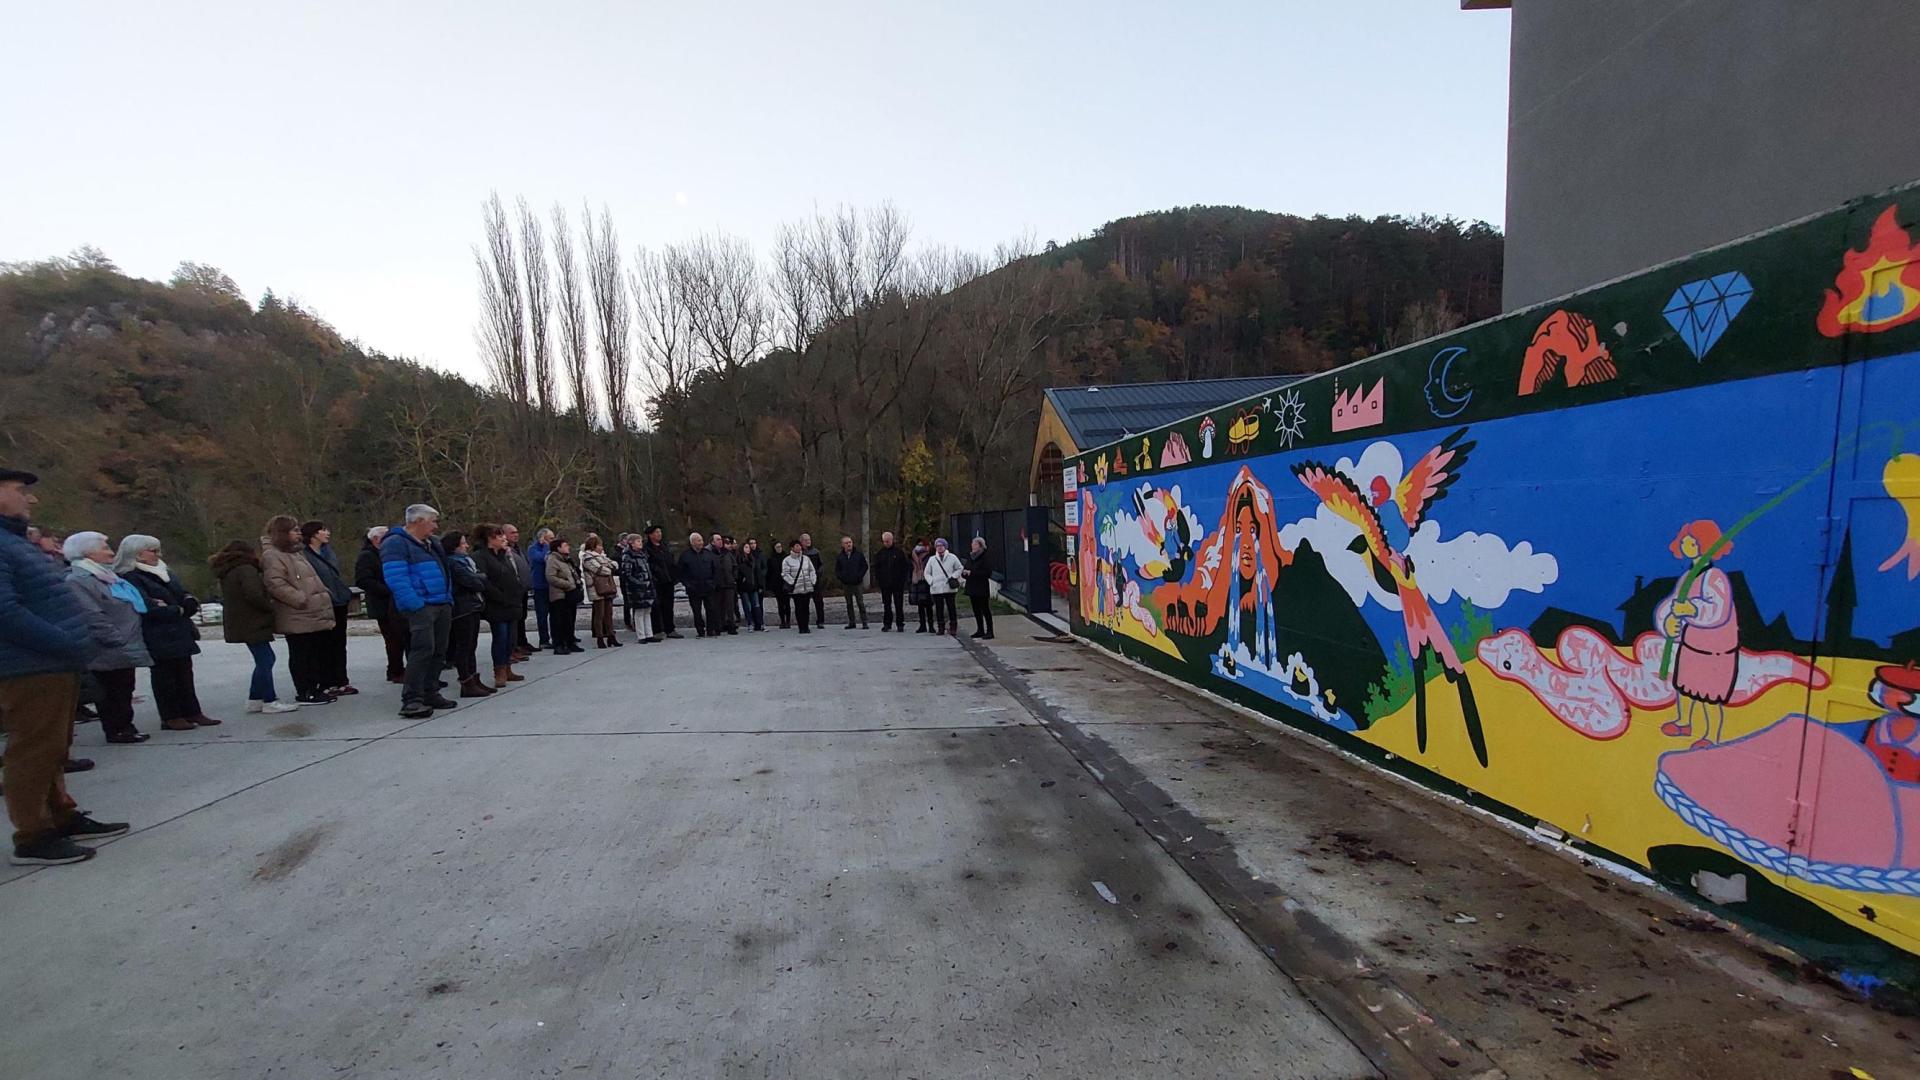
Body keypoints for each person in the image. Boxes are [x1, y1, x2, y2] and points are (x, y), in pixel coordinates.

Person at [0, 468, 127, 866]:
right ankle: (33, 836)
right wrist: (65, 643)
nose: (30, 499)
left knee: (53, 747)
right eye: (20, 491)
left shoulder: (12, 542)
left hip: (50, 663)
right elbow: (5, 612)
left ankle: (61, 816)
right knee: (33, 749)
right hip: (30, 666)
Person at [114, 534, 220, 730]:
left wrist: (184, 603)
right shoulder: (131, 577)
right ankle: (171, 715)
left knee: (185, 673)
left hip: (179, 630)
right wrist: (176, 608)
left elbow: (183, 595)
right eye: (153, 551)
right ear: (137, 554)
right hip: (158, 634)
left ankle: (192, 711)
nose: (158, 555)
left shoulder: (164, 572)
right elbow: (149, 606)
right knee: (165, 676)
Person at [64, 532, 154, 742]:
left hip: (124, 642)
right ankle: (117, 729)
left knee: (124, 687)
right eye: (104, 548)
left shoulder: (106, 576)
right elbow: (91, 614)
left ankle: (126, 726)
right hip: (108, 645)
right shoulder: (78, 580)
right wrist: (115, 638)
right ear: (87, 552)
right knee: (111, 690)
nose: (110, 552)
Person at [383, 503, 458, 719]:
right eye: (432, 521)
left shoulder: (432, 543)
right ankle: (412, 699)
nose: (435, 526)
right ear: (418, 521)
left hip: (441, 602)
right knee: (422, 650)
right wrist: (415, 604)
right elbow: (396, 578)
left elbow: (445, 570)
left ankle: (430, 691)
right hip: (422, 606)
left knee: (439, 651)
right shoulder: (395, 543)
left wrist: (447, 598)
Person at [210, 539, 298, 715]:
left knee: (263, 659)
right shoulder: (246, 569)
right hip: (253, 620)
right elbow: (253, 594)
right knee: (266, 659)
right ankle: (269, 699)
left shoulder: (229, 571)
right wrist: (269, 607)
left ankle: (255, 699)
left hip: (240, 621)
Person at [262, 515, 339, 705]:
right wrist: (300, 599)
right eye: (294, 530)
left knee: (314, 652)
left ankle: (316, 686)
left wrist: (323, 593)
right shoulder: (272, 555)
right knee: (301, 653)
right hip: (296, 613)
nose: (298, 533)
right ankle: (305, 691)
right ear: (283, 533)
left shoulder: (296, 553)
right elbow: (275, 583)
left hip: (312, 611)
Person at [302, 520, 358, 698]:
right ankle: (326, 681)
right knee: (324, 645)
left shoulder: (328, 551)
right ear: (313, 534)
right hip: (322, 603)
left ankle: (340, 680)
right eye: (323, 530)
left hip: (339, 600)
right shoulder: (304, 554)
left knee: (339, 644)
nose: (327, 533)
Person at [471, 524, 526, 689]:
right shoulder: (480, 556)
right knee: (500, 638)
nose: (504, 539)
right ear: (489, 539)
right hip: (497, 604)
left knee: (511, 639)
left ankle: (508, 666)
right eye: (499, 536)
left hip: (512, 603)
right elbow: (484, 581)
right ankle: (499, 670)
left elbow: (513, 575)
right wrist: (499, 596)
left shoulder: (504, 555)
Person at [441, 530, 493, 698]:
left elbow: (479, 578)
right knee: (464, 646)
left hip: (473, 606)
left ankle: (474, 678)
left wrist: (479, 578)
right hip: (462, 608)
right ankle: (466, 680)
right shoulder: (453, 563)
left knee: (472, 646)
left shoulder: (465, 562)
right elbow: (473, 581)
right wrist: (479, 578)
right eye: (463, 543)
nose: (466, 546)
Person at [356, 526, 407, 684]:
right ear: (376, 539)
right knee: (393, 640)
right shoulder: (367, 556)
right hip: (382, 604)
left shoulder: (388, 554)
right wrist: (388, 590)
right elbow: (363, 580)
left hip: (395, 602)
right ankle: (396, 670)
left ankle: (397, 669)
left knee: (401, 638)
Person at [676, 532, 722, 637]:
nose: (701, 542)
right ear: (692, 542)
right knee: (696, 611)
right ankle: (700, 630)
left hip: (708, 587)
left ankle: (711, 629)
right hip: (693, 588)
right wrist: (688, 585)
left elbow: (716, 569)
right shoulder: (685, 555)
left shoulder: (708, 554)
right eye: (698, 540)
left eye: (701, 540)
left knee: (711, 609)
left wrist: (713, 583)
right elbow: (681, 572)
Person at [581, 533, 622, 648]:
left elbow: (614, 564)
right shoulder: (588, 557)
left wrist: (609, 566)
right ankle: (599, 637)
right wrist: (609, 568)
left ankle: (611, 636)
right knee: (599, 614)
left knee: (609, 613)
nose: (602, 548)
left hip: (607, 587)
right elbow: (599, 570)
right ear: (594, 546)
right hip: (596, 588)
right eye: (599, 545)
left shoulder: (602, 557)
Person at [545, 536, 584, 654]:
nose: (568, 547)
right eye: (565, 546)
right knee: (558, 621)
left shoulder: (566, 559)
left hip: (570, 595)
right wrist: (568, 584)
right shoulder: (552, 559)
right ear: (558, 548)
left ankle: (570, 642)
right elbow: (551, 577)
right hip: (559, 595)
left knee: (569, 620)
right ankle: (559, 644)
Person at [503, 524, 535, 660]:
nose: (516, 535)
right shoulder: (505, 551)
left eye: (517, 532)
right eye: (512, 533)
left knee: (522, 618)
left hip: (522, 589)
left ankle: (522, 642)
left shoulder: (518, 548)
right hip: (512, 591)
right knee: (514, 620)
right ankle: (513, 647)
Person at [619, 534, 658, 642]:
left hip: (647, 586)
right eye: (637, 541)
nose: (640, 543)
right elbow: (627, 574)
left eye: (640, 541)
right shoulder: (628, 556)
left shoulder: (642, 555)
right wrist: (639, 583)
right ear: (631, 543)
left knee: (647, 610)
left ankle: (649, 633)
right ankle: (641, 635)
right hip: (636, 588)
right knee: (639, 611)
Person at [643, 525, 680, 640]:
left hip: (668, 580)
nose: (659, 534)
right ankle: (657, 629)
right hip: (657, 582)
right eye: (656, 532)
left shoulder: (664, 547)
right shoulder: (647, 549)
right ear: (650, 535)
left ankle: (670, 628)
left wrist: (674, 575)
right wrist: (655, 576)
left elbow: (671, 561)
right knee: (656, 606)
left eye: (660, 531)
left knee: (669, 606)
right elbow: (648, 565)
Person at [925, 537, 964, 637]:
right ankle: (941, 627)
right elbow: (927, 572)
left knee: (951, 607)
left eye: (941, 546)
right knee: (939, 608)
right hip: (936, 588)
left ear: (945, 547)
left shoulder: (952, 557)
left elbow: (960, 568)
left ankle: (953, 627)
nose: (939, 548)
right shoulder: (932, 559)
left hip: (949, 588)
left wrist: (953, 576)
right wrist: (931, 581)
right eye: (937, 546)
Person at [873, 531, 911, 633]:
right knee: (886, 604)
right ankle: (887, 624)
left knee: (899, 604)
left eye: (888, 541)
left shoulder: (899, 552)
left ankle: (900, 624)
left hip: (897, 583)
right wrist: (879, 581)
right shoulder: (880, 553)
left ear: (892, 540)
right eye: (884, 541)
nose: (886, 543)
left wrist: (903, 580)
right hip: (885, 584)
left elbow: (905, 567)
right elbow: (876, 568)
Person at [780, 538, 818, 634]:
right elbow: (785, 573)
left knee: (806, 607)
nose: (799, 547)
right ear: (792, 548)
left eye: (799, 546)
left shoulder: (806, 559)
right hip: (796, 588)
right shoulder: (787, 560)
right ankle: (801, 626)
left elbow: (812, 570)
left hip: (807, 587)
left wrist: (812, 580)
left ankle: (806, 626)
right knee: (799, 607)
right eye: (796, 546)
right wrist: (792, 582)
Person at [835, 536, 870, 630]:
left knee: (860, 602)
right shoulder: (840, 556)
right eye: (846, 543)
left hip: (857, 583)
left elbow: (864, 566)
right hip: (846, 583)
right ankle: (852, 622)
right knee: (849, 603)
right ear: (843, 545)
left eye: (850, 542)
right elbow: (837, 570)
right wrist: (842, 577)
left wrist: (859, 576)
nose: (849, 544)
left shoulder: (858, 555)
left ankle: (864, 622)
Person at [528, 528, 555, 650]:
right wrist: (546, 547)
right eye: (550, 538)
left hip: (551, 585)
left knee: (555, 613)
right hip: (540, 585)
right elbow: (543, 559)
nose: (552, 541)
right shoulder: (533, 549)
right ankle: (544, 639)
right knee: (542, 614)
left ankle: (557, 637)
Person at [964, 537, 996, 640]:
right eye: (972, 544)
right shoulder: (970, 557)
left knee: (985, 609)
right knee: (976, 609)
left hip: (981, 587)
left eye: (975, 544)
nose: (972, 545)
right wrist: (964, 573)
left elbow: (987, 573)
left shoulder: (985, 557)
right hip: (972, 586)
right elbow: (967, 568)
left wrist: (972, 573)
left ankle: (990, 631)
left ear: (980, 546)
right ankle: (980, 629)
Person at [738, 537, 767, 631]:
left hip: (754, 586)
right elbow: (737, 573)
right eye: (746, 547)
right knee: (748, 607)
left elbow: (758, 573)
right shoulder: (739, 560)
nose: (748, 548)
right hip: (744, 587)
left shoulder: (753, 560)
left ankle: (760, 623)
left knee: (757, 606)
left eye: (748, 547)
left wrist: (760, 585)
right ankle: (750, 623)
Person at [713, 535, 740, 635]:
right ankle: (720, 624)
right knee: (719, 606)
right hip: (719, 585)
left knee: (730, 606)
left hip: (729, 584)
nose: (728, 545)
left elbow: (735, 566)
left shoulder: (729, 555)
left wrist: (734, 578)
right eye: (726, 543)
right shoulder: (715, 554)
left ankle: (731, 625)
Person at [799, 533, 826, 628]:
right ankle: (805, 621)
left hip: (815, 580)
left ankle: (821, 621)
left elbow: (821, 565)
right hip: (803, 581)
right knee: (804, 603)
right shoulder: (799, 553)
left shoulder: (815, 552)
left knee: (819, 602)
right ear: (801, 541)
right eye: (806, 540)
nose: (808, 541)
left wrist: (818, 574)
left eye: (809, 539)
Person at [767, 540, 792, 629]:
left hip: (786, 582)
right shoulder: (771, 559)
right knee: (780, 604)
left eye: (780, 546)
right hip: (776, 584)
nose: (779, 548)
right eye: (777, 547)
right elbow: (769, 573)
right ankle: (783, 621)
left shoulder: (786, 557)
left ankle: (788, 621)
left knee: (787, 603)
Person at [910, 539, 932, 633]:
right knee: (921, 605)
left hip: (926, 582)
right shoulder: (914, 556)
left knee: (928, 605)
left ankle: (930, 625)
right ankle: (923, 625)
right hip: (918, 582)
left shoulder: (929, 557)